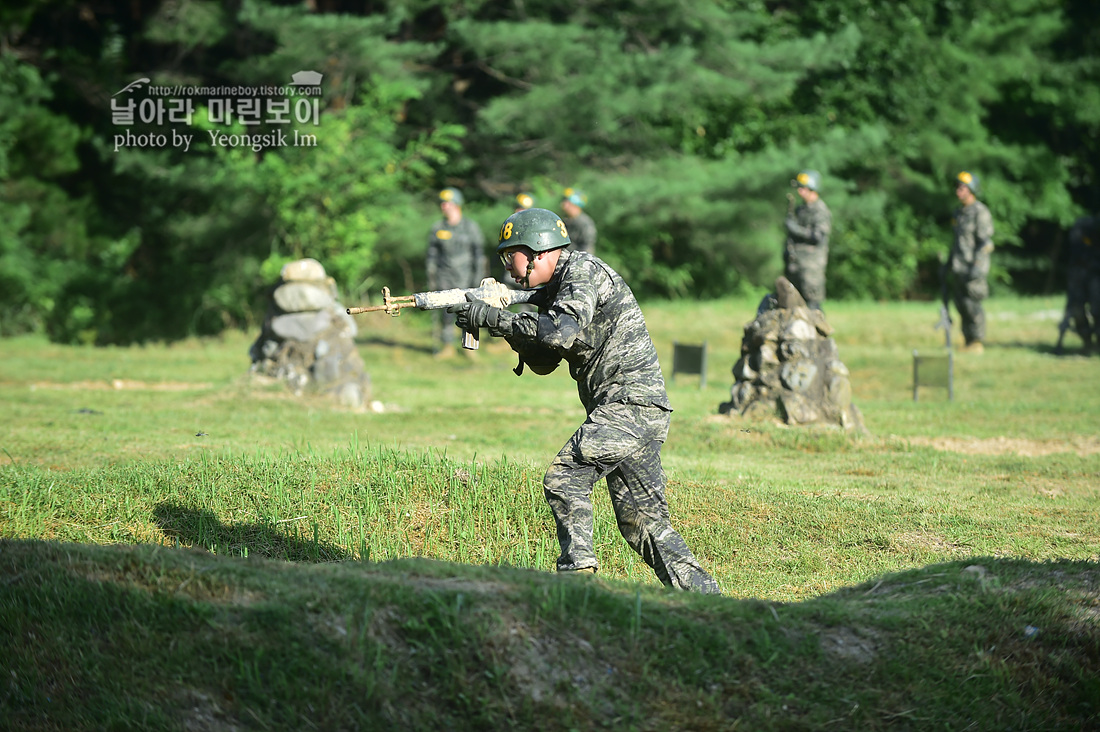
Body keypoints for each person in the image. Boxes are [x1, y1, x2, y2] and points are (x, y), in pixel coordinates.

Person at [447, 208, 720, 594]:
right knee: (642, 523)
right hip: (636, 411)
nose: (508, 267)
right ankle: (707, 601)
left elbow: (559, 332)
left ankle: (577, 581)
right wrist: (505, 327)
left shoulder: (583, 273)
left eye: (512, 256)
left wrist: (497, 319)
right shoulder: (558, 287)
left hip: (629, 406)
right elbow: (545, 361)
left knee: (564, 477)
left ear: (539, 250)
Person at [426, 187, 486, 357]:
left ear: (457, 205)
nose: (444, 206)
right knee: (446, 312)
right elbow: (432, 255)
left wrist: (478, 278)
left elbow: (478, 255)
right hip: (445, 276)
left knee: (469, 313)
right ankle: (447, 346)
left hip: (467, 277)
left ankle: (470, 348)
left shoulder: (470, 227)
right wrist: (431, 276)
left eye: (448, 203)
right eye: (442, 203)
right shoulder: (437, 228)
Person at [944, 171, 994, 354]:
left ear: (971, 190)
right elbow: (956, 242)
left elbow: (986, 244)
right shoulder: (958, 213)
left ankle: (977, 342)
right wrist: (948, 265)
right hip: (959, 268)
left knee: (973, 306)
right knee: (961, 305)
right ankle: (967, 341)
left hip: (973, 270)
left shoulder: (980, 212)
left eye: (963, 187)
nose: (959, 190)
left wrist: (978, 267)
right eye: (957, 187)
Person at [783, 169, 831, 310]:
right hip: (796, 266)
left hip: (811, 269)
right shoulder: (800, 210)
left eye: (803, 188)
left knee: (813, 307)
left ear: (812, 189)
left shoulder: (820, 210)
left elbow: (819, 236)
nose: (800, 192)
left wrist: (796, 229)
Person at [1065, 214, 1100, 354]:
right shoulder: (1083, 226)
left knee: (1098, 310)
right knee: (1076, 309)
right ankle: (1087, 342)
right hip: (1080, 274)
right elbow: (1076, 248)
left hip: (1096, 275)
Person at [560, 187, 597, 256]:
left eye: (566, 201)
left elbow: (587, 248)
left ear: (574, 203)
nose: (563, 204)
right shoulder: (565, 221)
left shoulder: (585, 223)